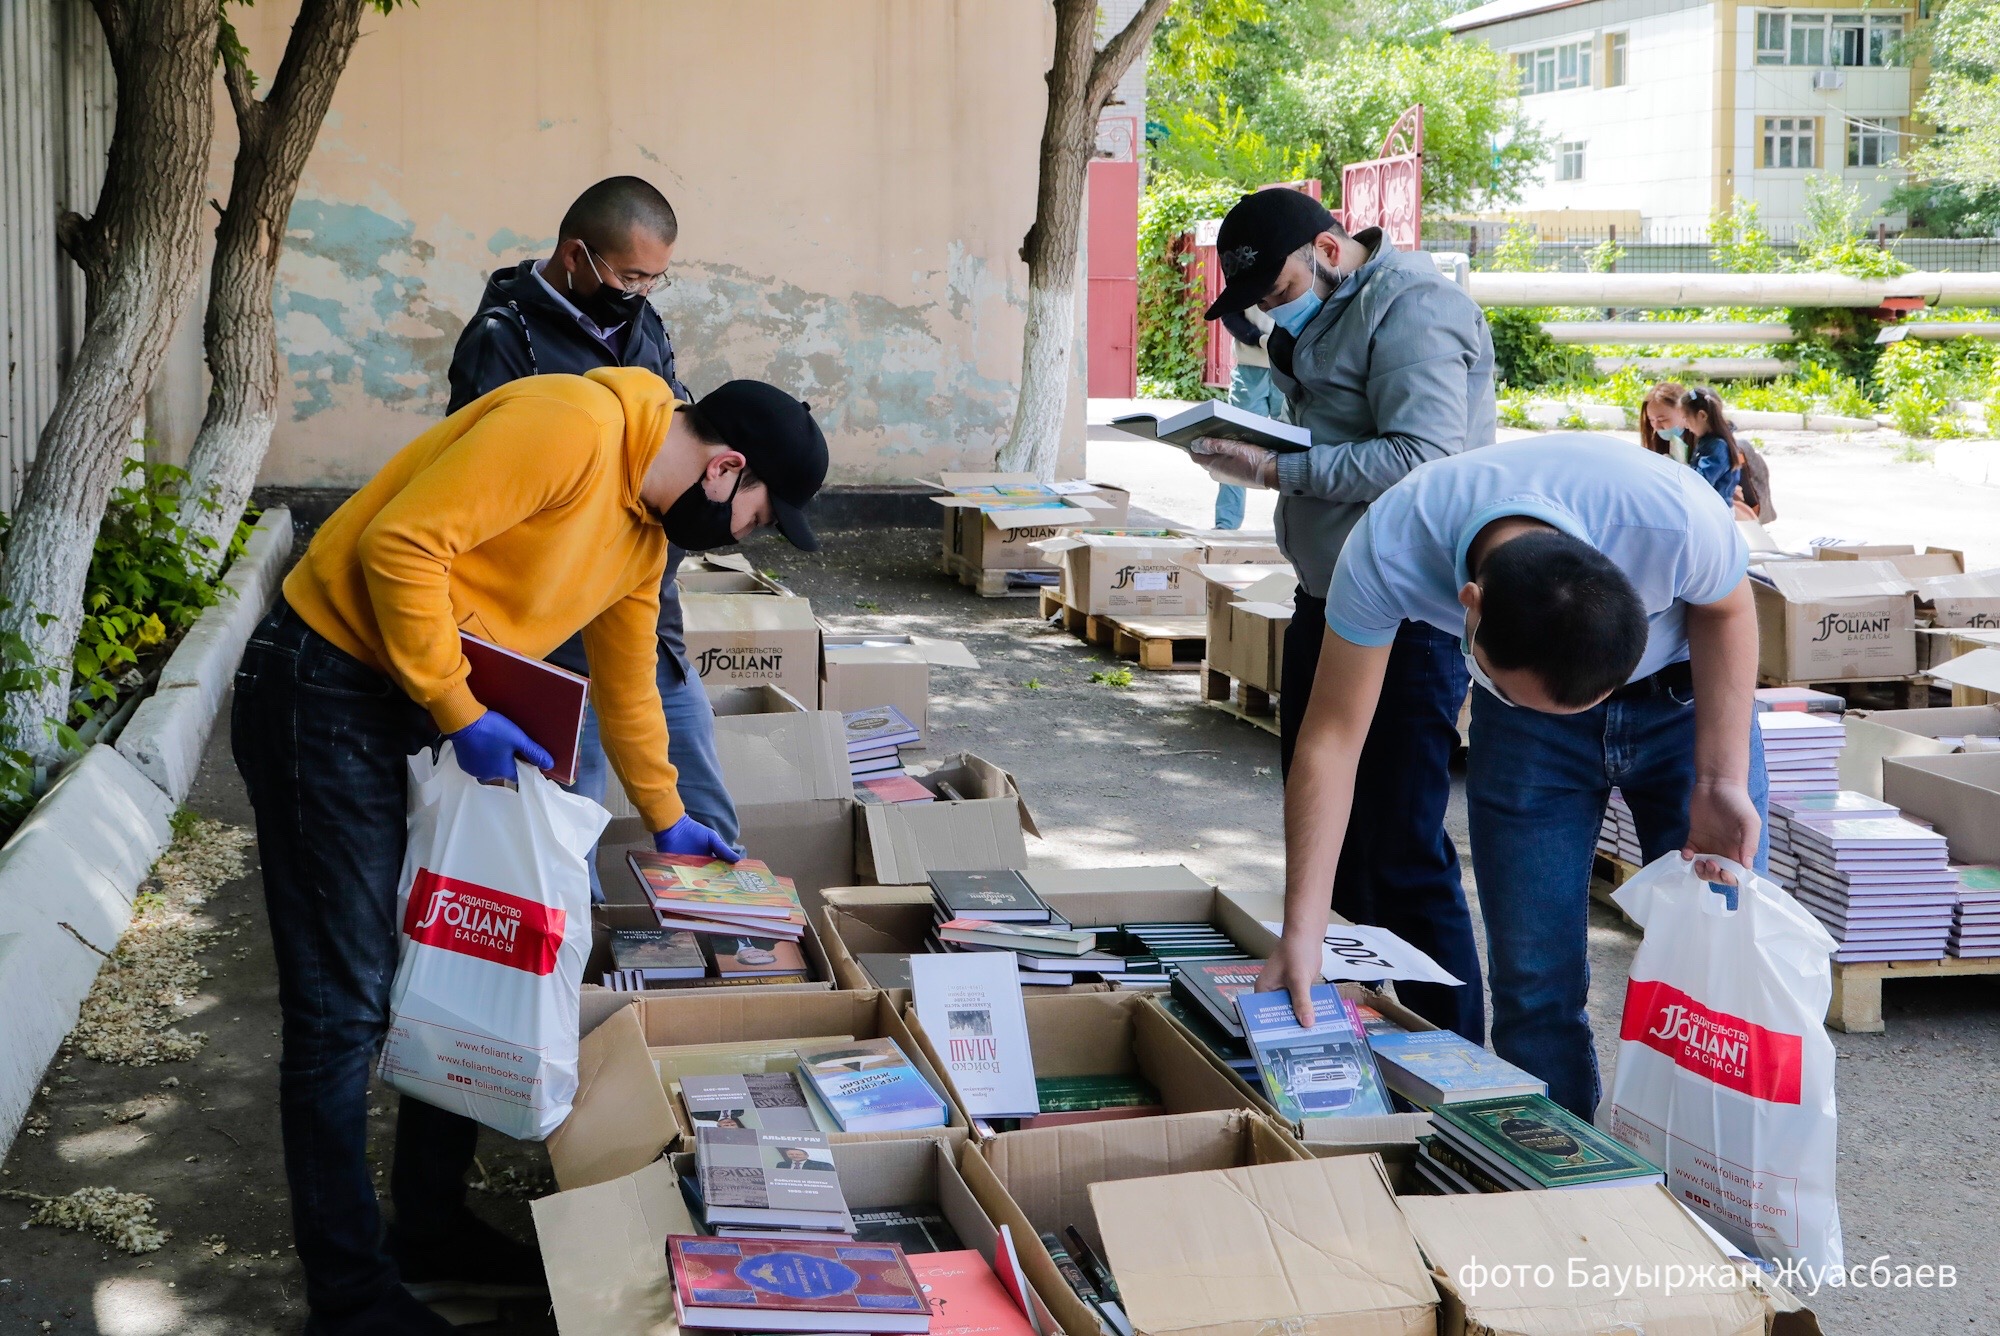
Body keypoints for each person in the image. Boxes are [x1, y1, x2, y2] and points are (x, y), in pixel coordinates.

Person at [232, 367, 827, 1335]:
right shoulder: (569, 426)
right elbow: (399, 544)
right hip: (324, 687)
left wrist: (668, 816)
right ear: (723, 467)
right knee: (341, 1001)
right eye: (760, 517)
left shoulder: (645, 532)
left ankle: (428, 1227)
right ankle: (348, 1294)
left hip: (418, 701)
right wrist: (458, 706)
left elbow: (628, 679)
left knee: (467, 966)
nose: (748, 537)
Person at [1259, 434, 1769, 1119]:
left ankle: (1696, 1199)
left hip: (1684, 705)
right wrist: (1303, 930)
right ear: (1469, 605)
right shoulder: (1390, 545)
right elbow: (1330, 740)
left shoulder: (1671, 515)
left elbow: (1730, 608)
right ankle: (1559, 1186)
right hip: (1526, 737)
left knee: (1717, 983)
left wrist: (1719, 780)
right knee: (1532, 983)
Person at [1192, 186, 1496, 1042]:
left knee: (1398, 849)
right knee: (1333, 839)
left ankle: (1454, 1058)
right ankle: (1366, 1041)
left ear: (1330, 250)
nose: (1270, 312)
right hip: (1330, 596)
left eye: (1277, 292)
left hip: (1407, 613)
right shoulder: (1330, 314)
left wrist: (1275, 472)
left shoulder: (1416, 310)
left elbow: (1422, 458)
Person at [445, 176, 740, 890]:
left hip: (644, 604)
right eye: (631, 275)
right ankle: (583, 979)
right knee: (569, 823)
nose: (641, 293)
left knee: (695, 790)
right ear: (575, 256)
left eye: (654, 280)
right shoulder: (503, 339)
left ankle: (738, 958)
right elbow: (481, 506)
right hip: (552, 633)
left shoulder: (643, 325)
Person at [1213, 304, 1279, 530]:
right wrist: (1258, 339)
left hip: (1290, 368)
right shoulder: (1243, 269)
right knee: (1235, 447)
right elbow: (1229, 314)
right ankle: (1225, 526)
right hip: (1250, 367)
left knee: (1297, 451)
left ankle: (1295, 527)